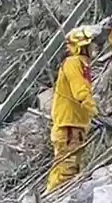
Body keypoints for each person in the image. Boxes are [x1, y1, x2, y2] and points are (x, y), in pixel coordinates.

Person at [46, 27, 99, 193]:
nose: (94, 48)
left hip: (74, 125)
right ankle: (54, 196)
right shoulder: (73, 63)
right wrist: (95, 111)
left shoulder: (80, 64)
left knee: (65, 166)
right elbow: (80, 92)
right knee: (66, 170)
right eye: (90, 45)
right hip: (69, 127)